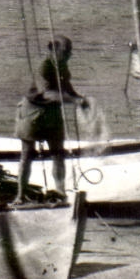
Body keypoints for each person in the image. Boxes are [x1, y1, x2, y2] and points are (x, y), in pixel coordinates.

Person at [16, 36, 89, 198]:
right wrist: (74, 101)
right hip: (33, 112)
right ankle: (20, 194)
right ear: (53, 50)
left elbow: (67, 87)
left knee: (58, 153)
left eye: (70, 51)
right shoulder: (44, 67)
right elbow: (47, 93)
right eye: (65, 51)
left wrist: (79, 98)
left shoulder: (62, 65)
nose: (69, 55)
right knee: (27, 153)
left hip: (52, 111)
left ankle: (60, 191)